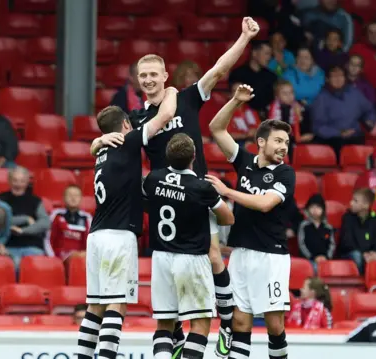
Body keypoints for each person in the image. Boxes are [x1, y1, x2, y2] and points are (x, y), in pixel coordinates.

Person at [90, 18, 260, 358]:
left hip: (197, 193)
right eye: (144, 75)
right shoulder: (137, 119)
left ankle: (225, 324)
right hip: (163, 195)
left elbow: (218, 70)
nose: (149, 79)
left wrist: (244, 37)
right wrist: (95, 142)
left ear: (165, 76)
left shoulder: (185, 98)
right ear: (138, 81)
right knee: (168, 266)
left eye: (155, 74)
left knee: (213, 256)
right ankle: (180, 332)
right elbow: (109, 143)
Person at [77, 92, 177, 359]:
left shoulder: (101, 151)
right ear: (124, 126)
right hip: (118, 236)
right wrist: (173, 91)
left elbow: (95, 146)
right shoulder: (127, 141)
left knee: (95, 307)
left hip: (97, 235)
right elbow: (166, 115)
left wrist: (96, 140)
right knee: (116, 305)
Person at [207, 84, 296, 359]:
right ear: (261, 142)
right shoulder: (244, 160)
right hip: (242, 255)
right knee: (240, 323)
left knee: (274, 325)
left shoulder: (285, 173)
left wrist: (228, 191)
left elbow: (266, 203)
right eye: (278, 141)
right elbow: (216, 129)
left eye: (286, 142)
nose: (283, 147)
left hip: (272, 257)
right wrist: (235, 101)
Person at [143, 134, 235, 359]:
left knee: (164, 324)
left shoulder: (152, 178)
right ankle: (227, 324)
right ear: (195, 157)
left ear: (167, 156)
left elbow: (146, 204)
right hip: (191, 258)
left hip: (161, 257)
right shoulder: (201, 188)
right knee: (200, 324)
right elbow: (228, 218)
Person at [0, 167, 50, 270]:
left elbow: (45, 223)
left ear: (27, 182)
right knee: (11, 266)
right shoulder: (0, 199)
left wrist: (22, 231)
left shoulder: (35, 201)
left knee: (37, 268)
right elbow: (0, 220)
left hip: (32, 246)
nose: (18, 184)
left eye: (22, 181)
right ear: (9, 181)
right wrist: (25, 219)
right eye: (15, 180)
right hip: (7, 246)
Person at [339, 188, 376, 274]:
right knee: (357, 256)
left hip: (369, 254)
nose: (351, 203)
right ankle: (361, 284)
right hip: (350, 254)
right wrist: (364, 254)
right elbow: (347, 243)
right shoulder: (347, 218)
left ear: (366, 205)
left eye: (355, 201)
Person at [47, 185, 91, 262]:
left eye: (76, 195)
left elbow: (91, 242)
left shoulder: (87, 217)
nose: (73, 198)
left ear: (81, 199)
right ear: (63, 198)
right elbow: (47, 239)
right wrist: (53, 258)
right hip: (59, 256)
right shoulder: (56, 214)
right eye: (70, 195)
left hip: (81, 257)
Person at [297, 194, 336, 273]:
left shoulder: (328, 227)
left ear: (323, 210)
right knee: (315, 268)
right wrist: (312, 257)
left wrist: (327, 257)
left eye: (318, 207)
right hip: (309, 260)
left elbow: (332, 244)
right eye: (312, 207)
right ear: (308, 209)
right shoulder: (304, 226)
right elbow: (301, 244)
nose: (315, 210)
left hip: (325, 259)